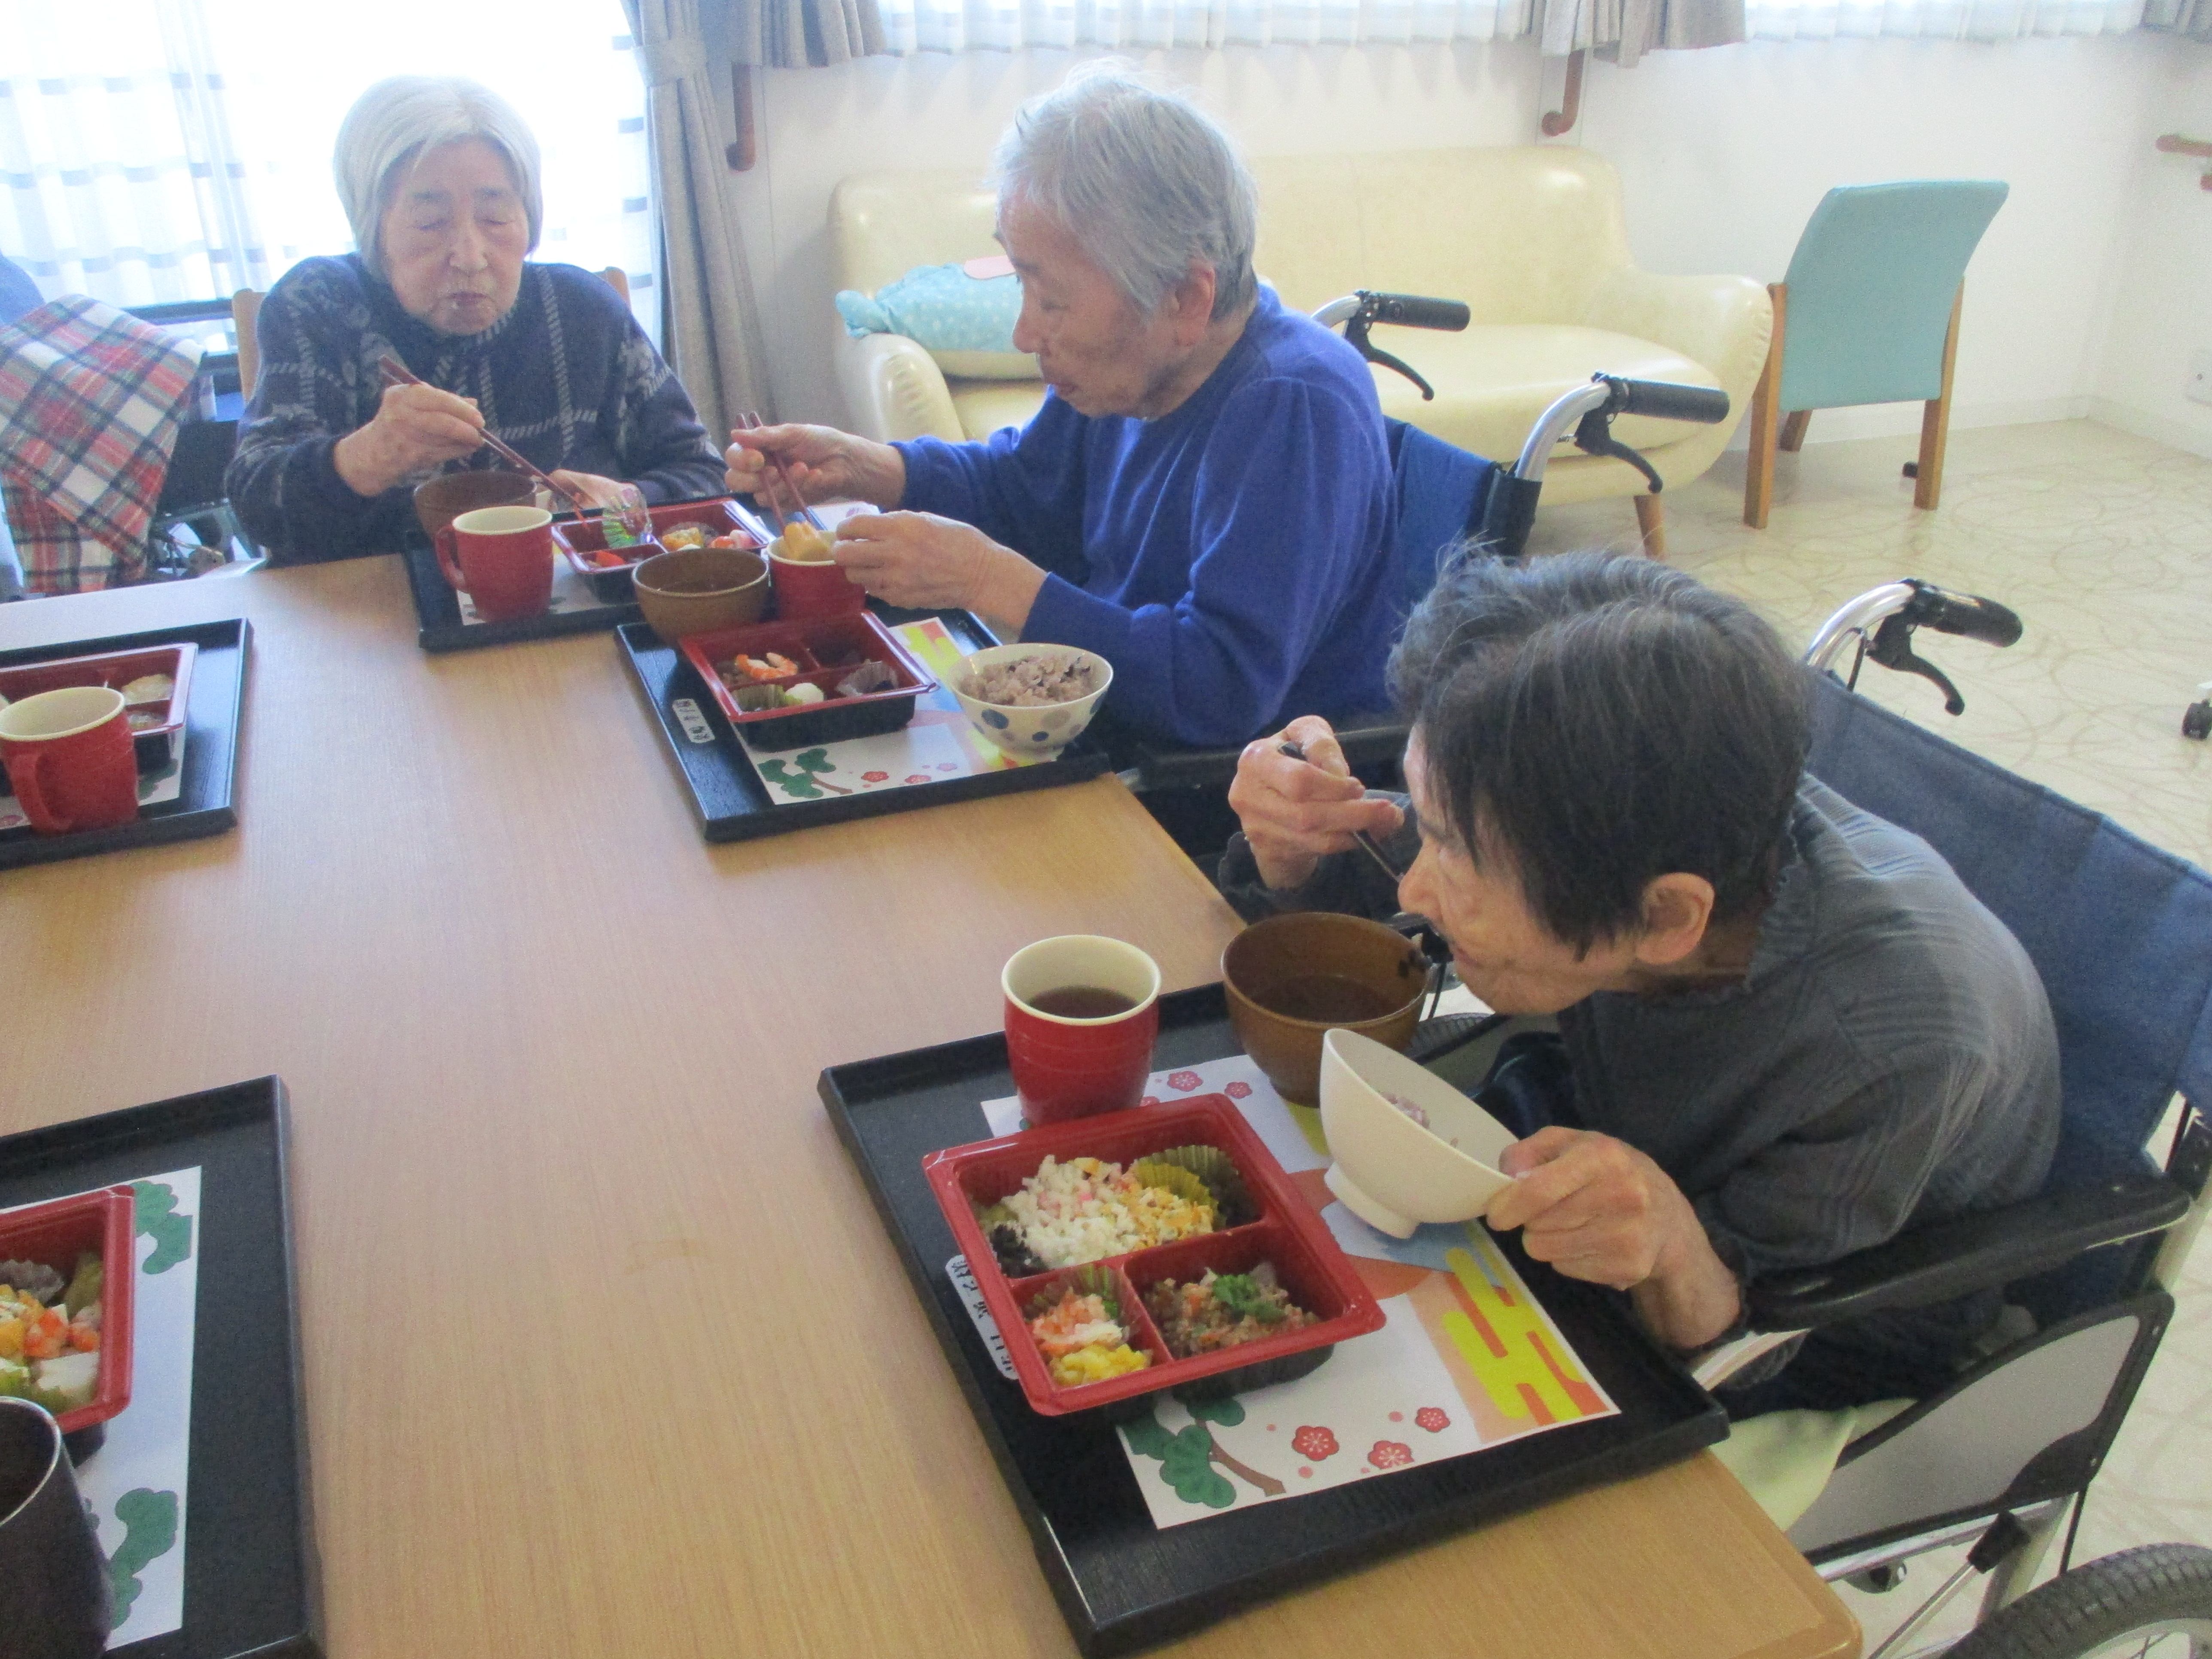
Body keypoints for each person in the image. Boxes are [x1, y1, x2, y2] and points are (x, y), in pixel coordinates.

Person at [1219, 551, 2061, 1415]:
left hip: (1820, 1329)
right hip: (1607, 1145)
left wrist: (1674, 1249)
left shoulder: (1891, 1043)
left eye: (1452, 850)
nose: (1411, 889)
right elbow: (1407, 900)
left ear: (1663, 921)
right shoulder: (1592, 810)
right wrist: (1291, 847)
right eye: (1428, 827)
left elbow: (1754, 1326)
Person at [724, 67, 1396, 748]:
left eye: (1052, 301)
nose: (1024, 334)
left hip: (1220, 790)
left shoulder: (1291, 408)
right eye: (1022, 286)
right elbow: (1025, 488)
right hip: (1101, 724)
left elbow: (1216, 690)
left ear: (1185, 300)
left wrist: (988, 577)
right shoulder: (1132, 370)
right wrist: (867, 466)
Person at [226, 76, 723, 564]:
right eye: (430, 222)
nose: (469, 256)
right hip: (373, 618)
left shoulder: (582, 309)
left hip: (564, 606)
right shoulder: (319, 304)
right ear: (371, 227)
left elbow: (701, 472)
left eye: (495, 219)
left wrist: (626, 502)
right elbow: (257, 501)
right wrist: (367, 457)